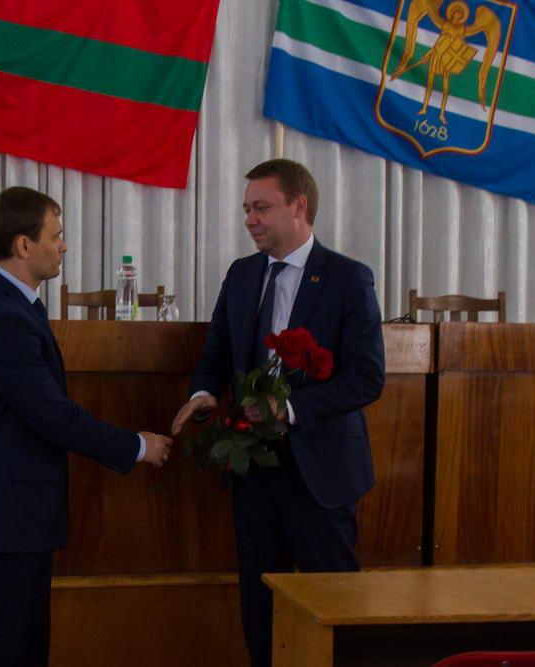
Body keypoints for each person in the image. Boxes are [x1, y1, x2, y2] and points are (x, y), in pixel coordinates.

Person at [171, 159, 384, 667]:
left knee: (332, 605)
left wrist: (287, 408)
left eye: (261, 208)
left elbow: (366, 378)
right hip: (253, 469)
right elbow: (217, 351)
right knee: (260, 604)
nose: (249, 219)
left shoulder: (348, 278)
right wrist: (203, 392)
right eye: (247, 208)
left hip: (321, 471)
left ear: (298, 206)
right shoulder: (242, 274)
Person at [0, 186, 173, 667]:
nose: (64, 246)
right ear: (23, 245)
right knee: (5, 651)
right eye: (56, 236)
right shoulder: (2, 317)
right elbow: (54, 416)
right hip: (6, 516)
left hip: (16, 514)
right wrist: (137, 446)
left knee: (24, 647)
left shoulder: (11, 305)